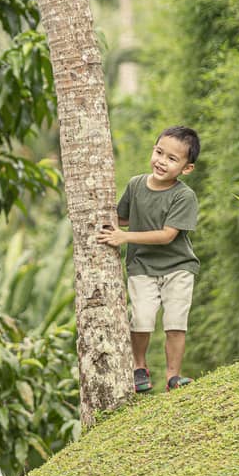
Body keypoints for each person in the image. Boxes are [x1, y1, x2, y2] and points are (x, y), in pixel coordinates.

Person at [99, 125, 201, 393]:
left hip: (178, 267)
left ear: (186, 168)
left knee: (176, 322)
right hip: (142, 266)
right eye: (159, 152)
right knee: (141, 318)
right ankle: (139, 367)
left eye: (172, 159)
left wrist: (125, 237)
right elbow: (121, 217)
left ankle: (172, 377)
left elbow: (167, 235)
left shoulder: (184, 196)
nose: (161, 162)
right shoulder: (135, 185)